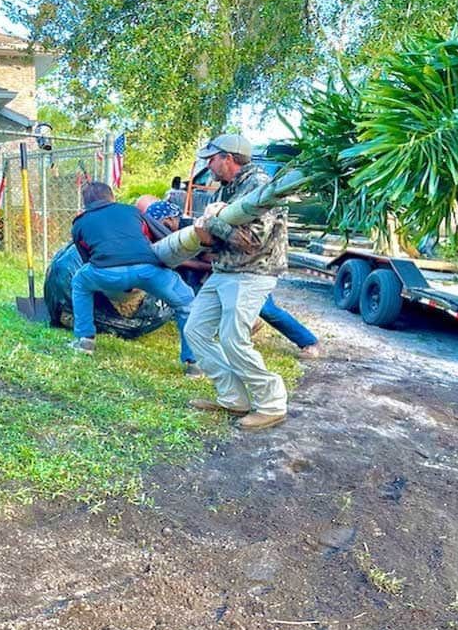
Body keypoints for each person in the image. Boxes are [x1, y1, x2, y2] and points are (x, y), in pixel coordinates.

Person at [183, 134, 289, 431]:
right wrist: (204, 235)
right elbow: (218, 238)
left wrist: (211, 224)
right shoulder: (226, 190)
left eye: (212, 158)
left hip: (253, 272)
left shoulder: (259, 186)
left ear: (228, 158)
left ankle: (272, 404)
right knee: (196, 331)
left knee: (233, 339)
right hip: (225, 270)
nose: (208, 164)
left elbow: (253, 242)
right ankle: (233, 398)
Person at [143, 199, 320, 360]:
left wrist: (186, 263)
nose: (160, 228)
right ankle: (199, 354)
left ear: (170, 219)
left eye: (161, 223)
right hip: (215, 276)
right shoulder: (171, 234)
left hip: (246, 271)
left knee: (267, 309)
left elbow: (212, 257)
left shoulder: (192, 228)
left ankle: (308, 341)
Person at [70, 182, 199, 374]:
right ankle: (193, 363)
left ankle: (85, 340)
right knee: (186, 302)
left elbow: (86, 258)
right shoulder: (131, 211)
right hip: (148, 270)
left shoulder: (79, 224)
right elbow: (162, 236)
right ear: (111, 196)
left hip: (106, 272)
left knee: (80, 282)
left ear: (85, 203)